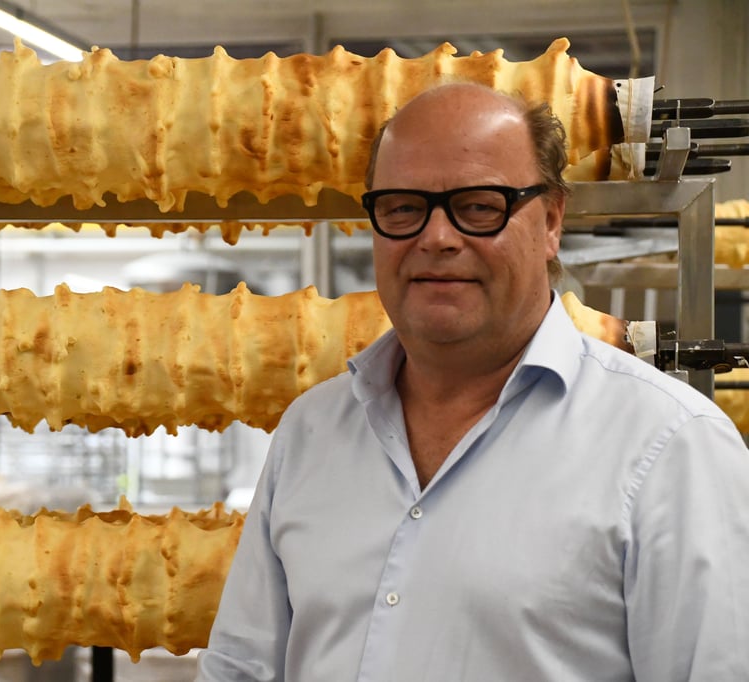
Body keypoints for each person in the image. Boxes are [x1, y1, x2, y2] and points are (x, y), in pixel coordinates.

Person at [196, 82, 749, 681]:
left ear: (552, 222)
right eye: (403, 207)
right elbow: (241, 667)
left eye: (481, 205)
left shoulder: (671, 448)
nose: (436, 238)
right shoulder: (311, 432)